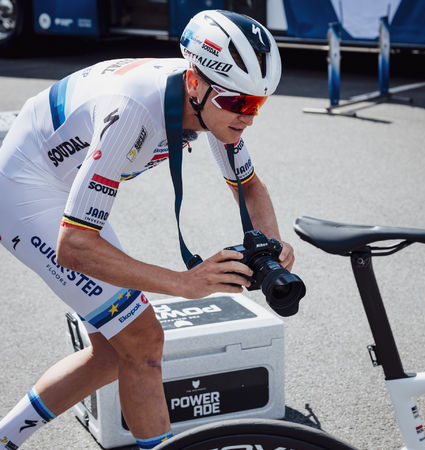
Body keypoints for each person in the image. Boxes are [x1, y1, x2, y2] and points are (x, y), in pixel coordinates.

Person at [0, 9, 294, 449]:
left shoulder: (212, 101)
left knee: (112, 353)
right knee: (141, 340)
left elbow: (248, 185)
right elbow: (74, 246)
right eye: (238, 103)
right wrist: (184, 283)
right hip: (25, 189)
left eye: (257, 104)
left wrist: (270, 247)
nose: (247, 117)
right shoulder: (133, 111)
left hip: (64, 178)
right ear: (194, 83)